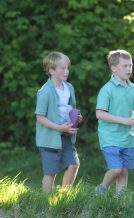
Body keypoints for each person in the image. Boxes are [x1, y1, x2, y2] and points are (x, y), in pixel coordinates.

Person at [95, 50, 134, 194]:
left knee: (123, 171)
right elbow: (100, 114)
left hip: (127, 138)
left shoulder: (132, 88)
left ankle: (119, 201)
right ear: (113, 68)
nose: (129, 69)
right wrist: (124, 121)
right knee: (116, 169)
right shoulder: (107, 89)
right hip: (110, 137)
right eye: (125, 66)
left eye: (130, 66)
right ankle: (102, 188)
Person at [35, 51, 82, 192]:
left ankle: (64, 198)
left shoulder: (69, 87)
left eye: (67, 67)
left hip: (66, 135)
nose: (66, 71)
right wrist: (59, 128)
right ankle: (45, 205)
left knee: (73, 164)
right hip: (49, 138)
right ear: (51, 71)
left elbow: (69, 109)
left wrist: (76, 118)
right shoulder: (45, 91)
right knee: (51, 172)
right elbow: (40, 117)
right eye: (62, 68)